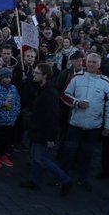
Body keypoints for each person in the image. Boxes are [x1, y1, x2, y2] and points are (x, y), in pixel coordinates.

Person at [60, 52, 109, 188]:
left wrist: (107, 126)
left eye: (94, 62)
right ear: (85, 62)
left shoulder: (106, 83)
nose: (91, 64)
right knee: (69, 152)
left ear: (99, 64)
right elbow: (64, 95)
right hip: (75, 123)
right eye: (89, 62)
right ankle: (62, 177)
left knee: (88, 154)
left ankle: (83, 179)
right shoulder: (76, 78)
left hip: (94, 126)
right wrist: (76, 103)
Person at [20, 63, 72, 195]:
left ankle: (65, 179)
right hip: (37, 129)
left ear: (45, 76)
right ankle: (36, 181)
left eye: (37, 73)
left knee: (42, 159)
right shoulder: (42, 88)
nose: (34, 75)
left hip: (43, 132)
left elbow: (53, 117)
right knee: (36, 157)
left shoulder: (49, 93)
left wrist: (51, 138)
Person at [0, 67, 21, 169]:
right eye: (5, 77)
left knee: (8, 140)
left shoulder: (13, 88)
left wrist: (16, 113)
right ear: (1, 78)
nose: (8, 79)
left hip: (11, 121)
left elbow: (18, 101)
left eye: (9, 77)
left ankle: (4, 155)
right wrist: (2, 103)